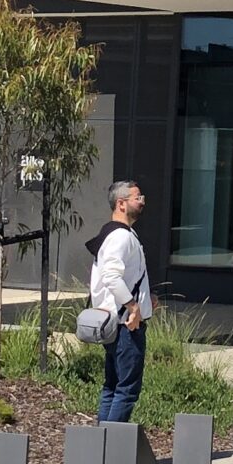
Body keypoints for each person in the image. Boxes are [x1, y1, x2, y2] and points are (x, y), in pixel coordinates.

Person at [87, 180, 153, 426]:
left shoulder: (118, 234)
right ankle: (112, 445)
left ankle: (101, 444)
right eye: (138, 197)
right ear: (121, 203)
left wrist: (147, 299)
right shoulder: (120, 237)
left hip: (114, 322)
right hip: (127, 324)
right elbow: (112, 278)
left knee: (112, 386)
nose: (143, 201)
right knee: (126, 389)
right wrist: (134, 308)